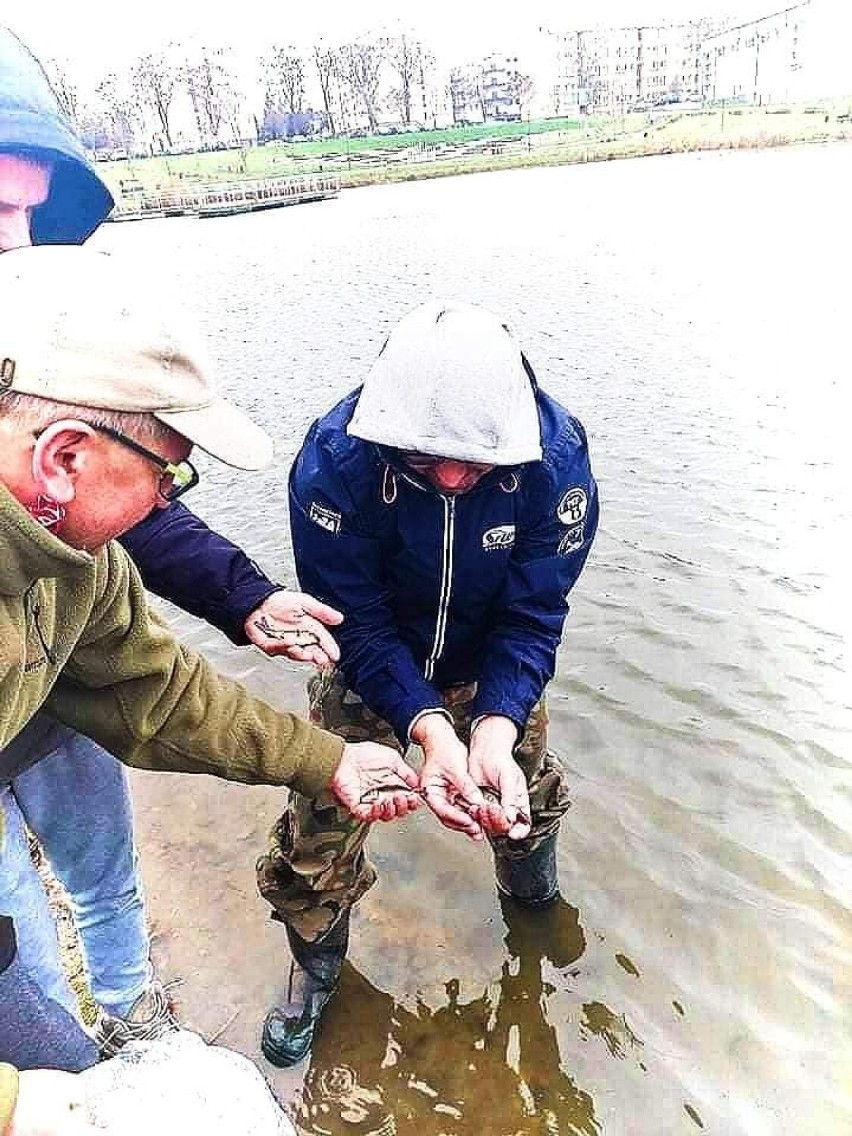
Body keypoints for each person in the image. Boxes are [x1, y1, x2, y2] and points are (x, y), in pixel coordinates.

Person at [0, 245, 421, 1101]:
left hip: (34, 723)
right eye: (167, 474)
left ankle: (122, 1023)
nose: (166, 506)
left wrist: (331, 763)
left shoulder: (82, 561)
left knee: (93, 910)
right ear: (64, 459)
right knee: (40, 1026)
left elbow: (159, 692)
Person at [0, 23, 342, 1052]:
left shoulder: (76, 540)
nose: (16, 247)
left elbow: (155, 674)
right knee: (17, 943)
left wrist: (321, 747)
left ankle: (125, 1016)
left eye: (25, 213)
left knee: (102, 881)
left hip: (53, 705)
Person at [257, 300, 599, 1066]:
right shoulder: (333, 462)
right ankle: (316, 965)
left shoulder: (558, 460)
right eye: (422, 458)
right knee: (323, 817)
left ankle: (534, 905)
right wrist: (427, 726)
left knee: (524, 791)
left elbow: (535, 612)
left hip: (491, 668)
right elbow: (357, 624)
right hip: (372, 663)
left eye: (475, 463)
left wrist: (495, 726)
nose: (448, 477)